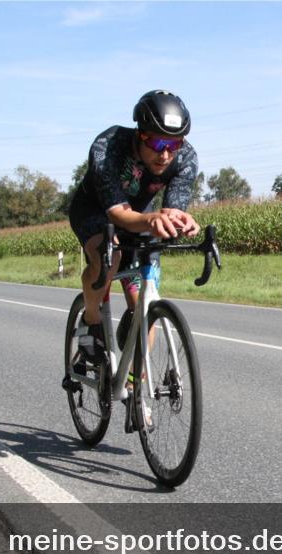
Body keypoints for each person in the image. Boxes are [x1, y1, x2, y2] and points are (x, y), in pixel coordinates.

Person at [68, 90, 200, 363]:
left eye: (174, 145)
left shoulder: (185, 157)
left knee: (145, 302)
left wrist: (181, 221)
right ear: (140, 134)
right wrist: (150, 220)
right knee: (109, 255)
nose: (165, 155)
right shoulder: (109, 146)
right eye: (158, 142)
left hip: (140, 217)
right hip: (95, 210)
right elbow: (117, 212)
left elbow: (172, 208)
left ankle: (134, 384)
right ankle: (91, 324)